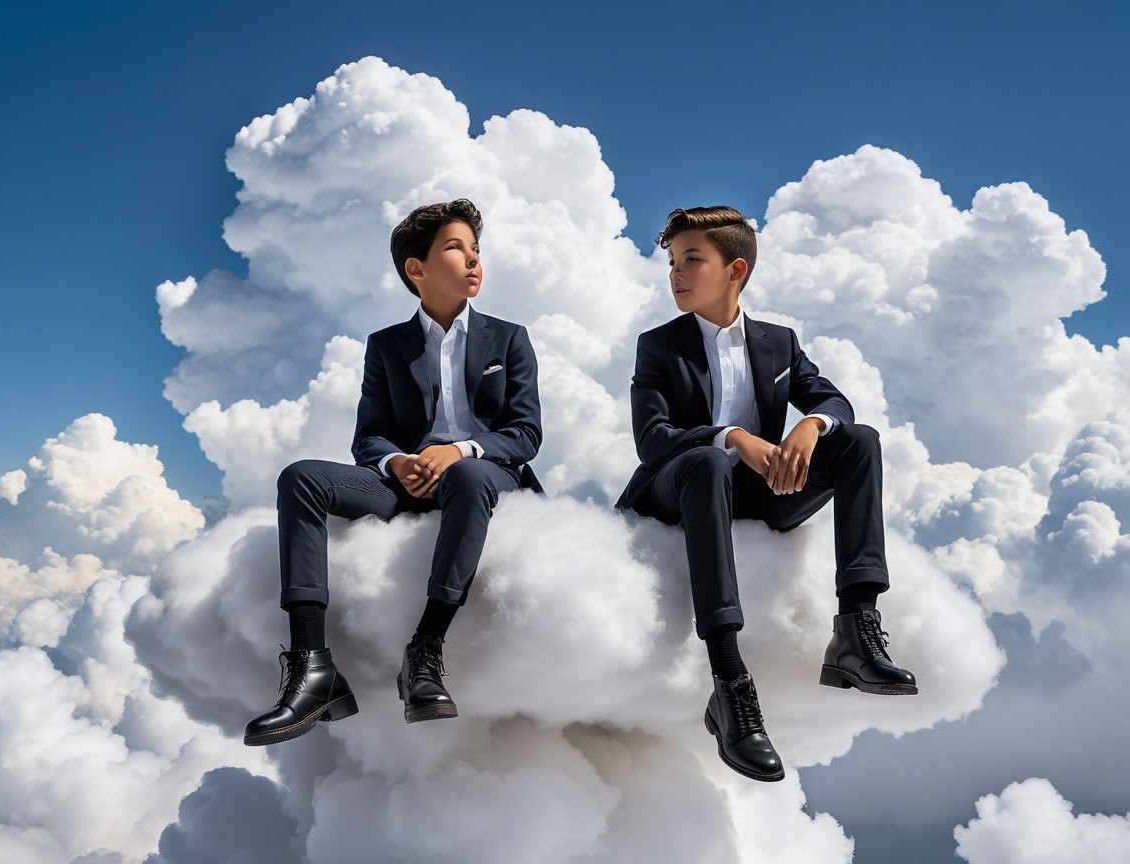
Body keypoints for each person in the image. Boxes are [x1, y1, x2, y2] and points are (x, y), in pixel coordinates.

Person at [615, 206, 916, 782]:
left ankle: (855, 630)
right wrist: (734, 438)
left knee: (860, 442)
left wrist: (811, 425)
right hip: (674, 489)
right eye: (672, 263)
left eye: (691, 261)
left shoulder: (779, 342)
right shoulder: (658, 346)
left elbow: (833, 400)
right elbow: (652, 441)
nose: (676, 274)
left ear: (736, 269)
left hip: (755, 495)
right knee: (706, 459)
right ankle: (729, 685)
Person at [245, 199, 542, 746]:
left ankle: (425, 651)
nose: (474, 260)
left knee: (469, 477)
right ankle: (314, 670)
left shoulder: (509, 338)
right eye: (456, 248)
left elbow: (525, 435)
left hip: (484, 476)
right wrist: (396, 462)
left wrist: (461, 452)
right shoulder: (386, 345)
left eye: (477, 250)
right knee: (301, 477)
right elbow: (369, 436)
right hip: (406, 484)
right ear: (416, 269)